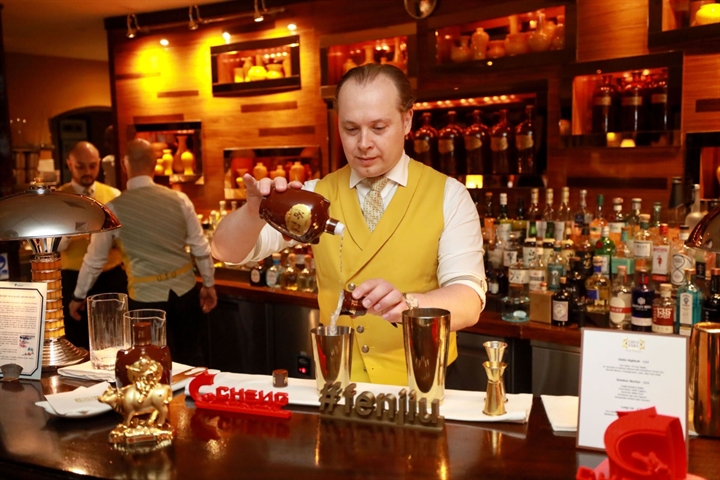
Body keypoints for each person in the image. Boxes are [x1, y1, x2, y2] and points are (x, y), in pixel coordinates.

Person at [212, 64, 485, 385]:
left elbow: (468, 300)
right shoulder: (313, 195)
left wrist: (410, 304)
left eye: (379, 127)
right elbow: (225, 251)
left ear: (407, 119)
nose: (364, 143)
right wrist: (253, 211)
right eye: (351, 129)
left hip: (422, 379)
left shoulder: (448, 195)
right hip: (337, 376)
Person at [69, 139, 218, 366]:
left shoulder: (113, 209)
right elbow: (200, 247)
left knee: (149, 365)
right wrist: (208, 283)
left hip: (145, 302)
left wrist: (79, 296)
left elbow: (94, 260)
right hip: (185, 293)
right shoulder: (179, 199)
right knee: (192, 360)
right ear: (155, 164)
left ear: (124, 164)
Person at [58, 141, 126, 350]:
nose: (87, 172)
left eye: (92, 165)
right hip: (72, 276)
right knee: (77, 341)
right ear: (69, 164)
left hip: (111, 276)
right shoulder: (58, 198)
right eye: (80, 166)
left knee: (116, 337)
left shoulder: (114, 195)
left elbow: (125, 236)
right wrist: (74, 228)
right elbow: (54, 246)